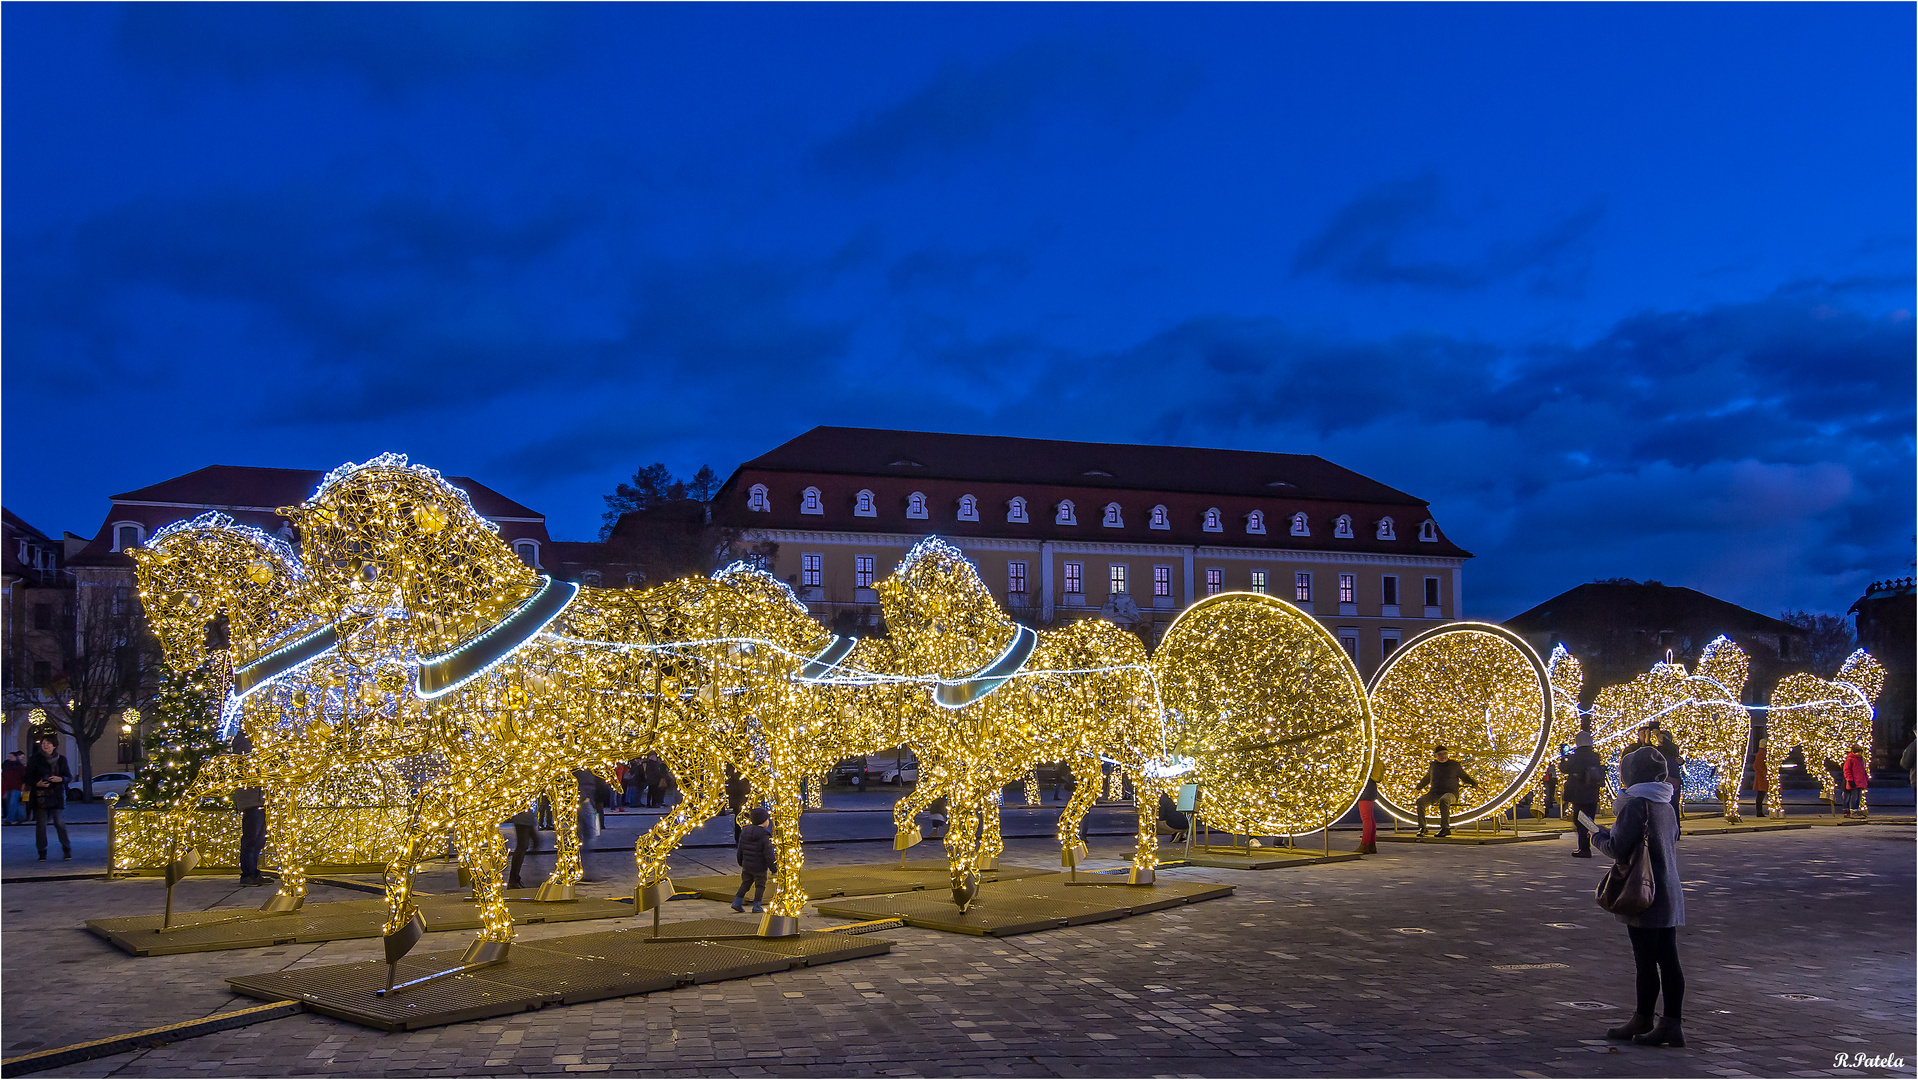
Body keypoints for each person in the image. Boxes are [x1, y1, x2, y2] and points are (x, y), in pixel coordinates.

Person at [1595, 745, 1687, 1048]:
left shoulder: (1635, 805)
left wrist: (1597, 835)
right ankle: (1671, 1024)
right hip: (1668, 890)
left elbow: (1618, 849)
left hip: (1643, 891)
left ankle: (1644, 1017)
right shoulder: (1665, 804)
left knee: (1645, 961)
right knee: (1669, 959)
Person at [24, 736, 71, 861]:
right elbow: (27, 777)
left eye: (48, 743)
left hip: (57, 795)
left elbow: (68, 777)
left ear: (54, 745)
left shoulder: (61, 760)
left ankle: (66, 848)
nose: (45, 745)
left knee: (58, 822)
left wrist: (60, 779)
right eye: (43, 743)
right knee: (41, 824)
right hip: (41, 796)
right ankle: (42, 851)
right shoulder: (35, 759)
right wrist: (36, 783)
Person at [1413, 745, 1476, 837]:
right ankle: (1423, 828)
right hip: (1434, 793)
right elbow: (1427, 778)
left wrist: (1474, 784)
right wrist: (1418, 787)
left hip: (1450, 793)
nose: (1443, 756)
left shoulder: (1454, 765)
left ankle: (1445, 828)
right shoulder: (1433, 765)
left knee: (1444, 800)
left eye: (1445, 753)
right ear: (1435, 755)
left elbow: (1464, 776)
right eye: (1440, 754)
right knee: (1420, 801)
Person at [232, 730, 267, 887]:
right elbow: (248, 766)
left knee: (259, 838)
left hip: (260, 799)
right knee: (251, 838)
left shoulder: (257, 741)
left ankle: (253, 872)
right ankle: (247, 874)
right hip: (251, 799)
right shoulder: (244, 743)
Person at [1562, 732, 1605, 858]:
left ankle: (1585, 848)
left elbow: (1564, 768)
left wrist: (1564, 757)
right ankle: (1593, 842)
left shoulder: (1576, 757)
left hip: (1579, 793)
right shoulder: (1595, 756)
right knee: (1589, 819)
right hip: (1592, 792)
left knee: (1580, 820)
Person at [732, 805, 775, 914]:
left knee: (745, 884)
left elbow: (740, 849)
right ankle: (757, 905)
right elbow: (768, 854)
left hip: (747, 865)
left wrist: (741, 862)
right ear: (764, 822)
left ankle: (737, 901)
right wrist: (774, 868)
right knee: (760, 885)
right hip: (760, 867)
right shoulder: (764, 836)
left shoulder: (745, 832)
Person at [1654, 726, 1685, 821]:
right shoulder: (1656, 750)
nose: (1661, 740)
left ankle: (1675, 827)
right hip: (1661, 781)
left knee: (1673, 805)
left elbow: (1672, 749)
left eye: (1664, 738)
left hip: (1673, 781)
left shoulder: (1673, 749)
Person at [507, 804, 539, 890]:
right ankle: (513, 879)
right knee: (522, 846)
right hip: (523, 817)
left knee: (524, 845)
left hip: (525, 817)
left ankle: (514, 878)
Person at [1357, 760, 1383, 854]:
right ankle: (1371, 845)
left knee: (1366, 818)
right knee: (1370, 818)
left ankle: (1364, 845)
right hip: (1371, 789)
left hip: (1365, 790)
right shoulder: (1372, 758)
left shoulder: (1365, 759)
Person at [724, 765, 752, 843]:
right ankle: (743, 838)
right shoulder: (744, 771)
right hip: (742, 795)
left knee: (739, 817)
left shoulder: (732, 768)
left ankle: (739, 838)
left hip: (738, 796)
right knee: (744, 817)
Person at [1841, 745, 1868, 818]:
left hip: (1859, 781)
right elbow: (1847, 770)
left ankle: (1855, 810)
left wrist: (1865, 779)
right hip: (1854, 781)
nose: (1859, 754)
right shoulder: (1850, 759)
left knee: (1858, 797)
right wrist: (1850, 780)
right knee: (1854, 797)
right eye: (1858, 752)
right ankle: (1853, 811)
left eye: (1860, 752)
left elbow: (1863, 770)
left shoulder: (1861, 759)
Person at [2, 751, 25, 825]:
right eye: (9, 756)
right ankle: (19, 817)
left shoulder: (19, 766)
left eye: (11, 756)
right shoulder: (6, 765)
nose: (10, 758)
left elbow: (24, 777)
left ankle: (9, 820)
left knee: (12, 803)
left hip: (16, 787)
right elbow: (4, 776)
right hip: (8, 786)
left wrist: (23, 787)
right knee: (11, 803)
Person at [1750, 738, 1769, 818]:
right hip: (1762, 777)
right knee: (1761, 794)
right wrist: (1763, 772)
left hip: (1764, 776)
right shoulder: (1762, 753)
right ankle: (1759, 811)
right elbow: (1756, 766)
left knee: (1762, 794)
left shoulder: (1763, 752)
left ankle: (1760, 811)